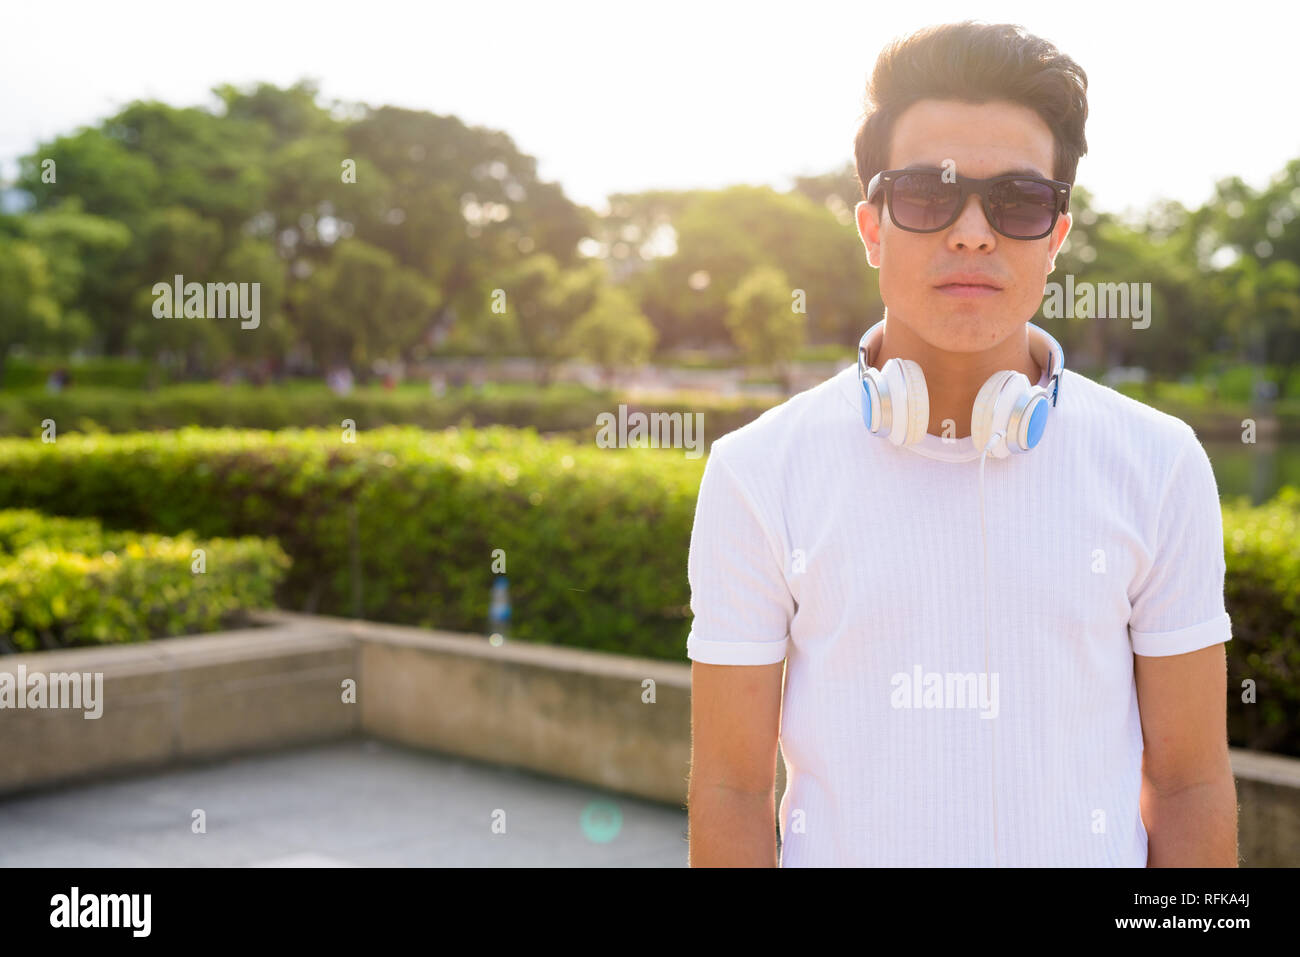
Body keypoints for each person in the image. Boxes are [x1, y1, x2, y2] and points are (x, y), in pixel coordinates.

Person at [686, 21, 1237, 868]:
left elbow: (1192, 781)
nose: (973, 232)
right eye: (927, 194)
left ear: (1055, 236)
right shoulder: (758, 472)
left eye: (1017, 200)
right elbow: (729, 787)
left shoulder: (1160, 465)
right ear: (871, 227)